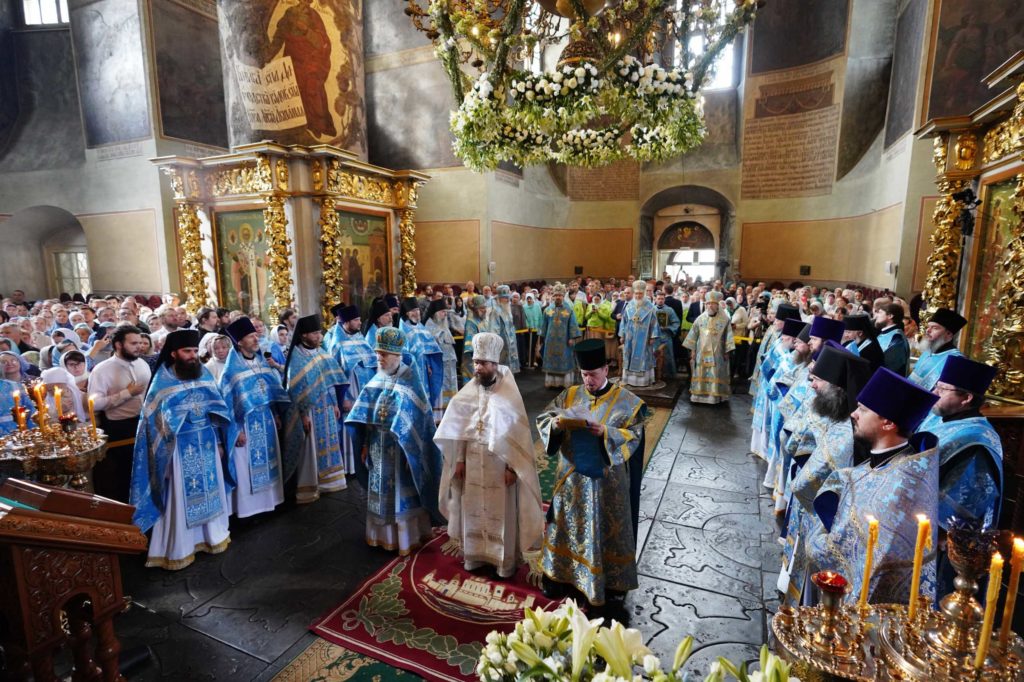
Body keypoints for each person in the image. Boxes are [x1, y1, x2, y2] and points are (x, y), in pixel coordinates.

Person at [808, 368, 940, 605]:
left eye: (863, 410)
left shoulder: (902, 487)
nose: (853, 414)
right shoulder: (889, 461)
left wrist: (815, 539)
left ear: (888, 423)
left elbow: (871, 561)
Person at [537, 339, 648, 610]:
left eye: (593, 374)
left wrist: (605, 433)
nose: (588, 380)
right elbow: (544, 419)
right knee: (567, 526)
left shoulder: (628, 403)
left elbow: (634, 437)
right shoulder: (570, 394)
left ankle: (607, 585)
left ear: (606, 370)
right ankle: (560, 576)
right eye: (584, 375)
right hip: (571, 481)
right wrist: (556, 423)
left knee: (600, 529)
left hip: (605, 486)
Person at [435, 332, 544, 578]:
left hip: (499, 466)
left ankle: (502, 562)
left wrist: (512, 469)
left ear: (495, 364)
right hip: (473, 462)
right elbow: (460, 430)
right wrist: (460, 460)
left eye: (482, 363)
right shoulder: (468, 393)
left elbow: (516, 437)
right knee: (472, 508)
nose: (477, 368)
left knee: (500, 514)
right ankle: (474, 557)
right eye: (475, 363)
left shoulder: (509, 396)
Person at [129, 330, 233, 570]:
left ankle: (212, 537)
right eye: (187, 351)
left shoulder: (203, 372)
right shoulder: (162, 381)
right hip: (177, 451)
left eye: (195, 351)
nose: (193, 356)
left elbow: (217, 410)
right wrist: (161, 461)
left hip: (206, 442)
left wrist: (218, 442)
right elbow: (152, 426)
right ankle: (181, 548)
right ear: (174, 353)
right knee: (180, 499)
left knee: (211, 491)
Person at [778, 344, 870, 606]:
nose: (813, 384)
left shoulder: (847, 433)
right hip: (811, 510)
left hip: (825, 523)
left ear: (838, 387)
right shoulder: (835, 412)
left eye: (819, 379)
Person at [346, 327, 443, 555]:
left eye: (384, 354)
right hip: (378, 447)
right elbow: (365, 416)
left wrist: (415, 453)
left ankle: (408, 537)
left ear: (397, 355)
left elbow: (421, 422)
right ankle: (382, 537)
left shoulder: (411, 380)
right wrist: (364, 444)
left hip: (402, 452)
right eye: (378, 353)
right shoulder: (377, 378)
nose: (379, 358)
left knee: (402, 494)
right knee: (380, 493)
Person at [917, 355, 1003, 531]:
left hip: (940, 536)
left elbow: (963, 505)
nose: (934, 393)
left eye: (942, 389)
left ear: (967, 398)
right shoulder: (941, 420)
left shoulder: (976, 439)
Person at [220, 317, 291, 519]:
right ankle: (249, 511)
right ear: (239, 342)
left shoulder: (261, 361)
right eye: (251, 337)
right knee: (246, 468)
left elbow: (270, 389)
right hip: (245, 426)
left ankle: (271, 503)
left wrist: (276, 413)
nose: (255, 339)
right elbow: (227, 404)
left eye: (255, 335)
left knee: (269, 460)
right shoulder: (230, 370)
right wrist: (236, 431)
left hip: (266, 419)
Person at [282, 314, 349, 503]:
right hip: (309, 410)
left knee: (329, 443)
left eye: (320, 333)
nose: (319, 337)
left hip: (326, 406)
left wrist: (335, 403)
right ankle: (311, 486)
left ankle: (330, 482)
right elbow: (295, 391)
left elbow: (330, 381)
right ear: (303, 335)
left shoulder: (321, 352)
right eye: (314, 333)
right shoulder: (296, 357)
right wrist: (302, 415)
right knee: (311, 448)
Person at [87, 325, 151, 502]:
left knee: (145, 471)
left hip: (143, 423)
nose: (139, 347)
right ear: (118, 345)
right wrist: (126, 394)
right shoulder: (102, 370)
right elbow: (94, 403)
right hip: (119, 428)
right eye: (133, 343)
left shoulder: (142, 363)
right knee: (124, 476)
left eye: (140, 343)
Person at [330, 304, 377, 471]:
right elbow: (334, 375)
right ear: (346, 322)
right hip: (350, 395)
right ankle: (351, 467)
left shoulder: (360, 338)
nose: (360, 322)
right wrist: (342, 399)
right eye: (356, 320)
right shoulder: (337, 344)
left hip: (366, 391)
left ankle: (366, 460)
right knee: (352, 427)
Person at [683, 290, 735, 404]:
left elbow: (729, 336)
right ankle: (699, 396)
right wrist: (692, 350)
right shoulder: (700, 318)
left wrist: (727, 351)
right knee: (701, 371)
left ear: (717, 305)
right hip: (701, 352)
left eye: (712, 303)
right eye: (707, 303)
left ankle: (714, 397)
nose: (709, 306)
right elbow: (693, 335)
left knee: (716, 371)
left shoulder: (725, 319)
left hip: (718, 352)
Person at [399, 297, 444, 407]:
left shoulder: (421, 327)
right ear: (407, 313)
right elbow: (403, 353)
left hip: (424, 369)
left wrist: (428, 364)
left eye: (417, 310)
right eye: (413, 311)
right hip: (412, 370)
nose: (416, 313)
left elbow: (428, 349)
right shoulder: (403, 329)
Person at [909, 308, 967, 390]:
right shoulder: (928, 351)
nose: (928, 331)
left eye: (935, 328)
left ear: (948, 334)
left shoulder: (956, 360)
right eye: (928, 327)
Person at [539, 283, 582, 388]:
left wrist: (572, 338)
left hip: (565, 341)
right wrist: (542, 338)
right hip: (550, 341)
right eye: (556, 295)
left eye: (560, 295)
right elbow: (543, 325)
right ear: (553, 296)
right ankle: (552, 383)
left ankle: (564, 383)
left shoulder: (569, 310)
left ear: (563, 296)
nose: (558, 297)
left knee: (565, 360)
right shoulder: (547, 310)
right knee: (551, 360)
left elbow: (573, 324)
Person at [618, 281, 659, 388]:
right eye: (636, 293)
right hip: (629, 337)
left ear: (644, 293)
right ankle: (628, 379)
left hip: (644, 338)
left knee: (644, 358)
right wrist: (622, 335)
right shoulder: (629, 306)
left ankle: (643, 381)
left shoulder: (650, 307)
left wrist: (653, 336)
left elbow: (654, 323)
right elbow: (624, 321)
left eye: (640, 293)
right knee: (629, 356)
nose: (638, 296)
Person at [424, 299, 457, 423]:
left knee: (451, 386)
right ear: (435, 313)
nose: (445, 314)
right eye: (443, 312)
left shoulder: (444, 324)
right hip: (439, 365)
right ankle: (441, 418)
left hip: (450, 363)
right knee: (441, 389)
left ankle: (450, 412)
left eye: (446, 312)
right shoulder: (428, 326)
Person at [461, 294, 493, 385]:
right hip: (473, 360)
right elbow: (470, 345)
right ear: (475, 309)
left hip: (483, 357)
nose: (485, 310)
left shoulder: (482, 320)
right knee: (473, 385)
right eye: (482, 308)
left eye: (485, 307)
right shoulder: (471, 322)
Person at [491, 285, 522, 373]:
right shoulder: (495, 311)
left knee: (509, 370)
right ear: (499, 298)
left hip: (511, 341)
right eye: (505, 298)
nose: (507, 300)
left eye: (508, 298)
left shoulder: (508, 309)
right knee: (501, 368)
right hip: (502, 342)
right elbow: (494, 329)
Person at [874, 303, 910, 376]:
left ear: (890, 316)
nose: (876, 316)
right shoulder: (884, 333)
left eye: (880, 313)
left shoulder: (897, 338)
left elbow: (891, 367)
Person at [653, 291, 680, 379]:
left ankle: (669, 376)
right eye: (659, 299)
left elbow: (676, 322)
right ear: (655, 299)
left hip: (666, 336)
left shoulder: (669, 310)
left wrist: (668, 328)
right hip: (654, 337)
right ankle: (654, 375)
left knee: (668, 356)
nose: (660, 300)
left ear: (664, 299)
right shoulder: (651, 309)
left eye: (662, 299)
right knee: (654, 356)